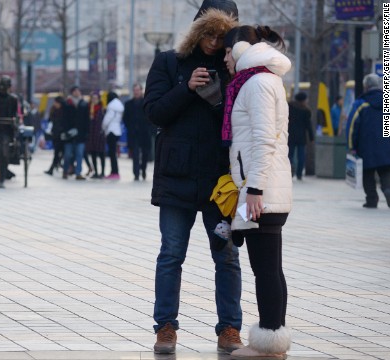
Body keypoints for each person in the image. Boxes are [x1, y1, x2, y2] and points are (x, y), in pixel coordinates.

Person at [143, 0, 242, 354]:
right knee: (171, 254)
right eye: (209, 34)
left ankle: (230, 327)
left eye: (222, 36)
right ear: (198, 29)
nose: (214, 43)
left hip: (220, 182)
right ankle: (165, 326)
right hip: (176, 177)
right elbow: (154, 113)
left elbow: (241, 124)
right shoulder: (169, 62)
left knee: (226, 256)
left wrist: (217, 100)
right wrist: (186, 88)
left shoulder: (235, 68)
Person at [222, 25, 293, 358]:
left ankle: (269, 344)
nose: (223, 59)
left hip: (263, 191)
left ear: (237, 51)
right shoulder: (260, 79)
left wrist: (254, 189)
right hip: (263, 188)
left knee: (266, 268)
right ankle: (271, 340)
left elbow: (265, 140)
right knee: (269, 267)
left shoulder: (258, 83)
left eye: (226, 52)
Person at [347, 74, 390, 209]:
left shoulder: (361, 104)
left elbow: (352, 127)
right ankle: (388, 190)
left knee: (368, 174)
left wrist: (351, 146)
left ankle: (372, 200)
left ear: (366, 87)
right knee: (386, 172)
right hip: (387, 146)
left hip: (366, 146)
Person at [123, 83, 152, 181]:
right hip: (133, 133)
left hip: (144, 133)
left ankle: (143, 169)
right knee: (135, 154)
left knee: (145, 154)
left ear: (141, 91)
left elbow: (150, 117)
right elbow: (125, 118)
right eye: (135, 90)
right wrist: (130, 127)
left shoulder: (146, 102)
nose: (136, 92)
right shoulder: (128, 104)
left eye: (138, 90)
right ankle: (136, 173)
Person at [62, 86, 90, 180]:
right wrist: (65, 131)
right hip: (69, 134)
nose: (77, 93)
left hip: (80, 134)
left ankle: (78, 172)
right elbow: (64, 119)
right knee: (67, 154)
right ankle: (65, 170)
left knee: (79, 154)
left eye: (78, 91)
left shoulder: (84, 104)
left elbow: (87, 119)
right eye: (75, 91)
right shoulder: (67, 103)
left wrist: (86, 132)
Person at [287, 92, 314, 180]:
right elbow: (308, 125)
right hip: (301, 137)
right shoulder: (306, 110)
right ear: (303, 100)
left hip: (290, 136)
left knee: (289, 155)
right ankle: (299, 174)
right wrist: (311, 137)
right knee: (301, 156)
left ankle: (289, 172)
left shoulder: (289, 107)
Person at [102, 91, 124, 180]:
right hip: (117, 130)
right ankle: (114, 171)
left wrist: (103, 127)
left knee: (112, 153)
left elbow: (107, 119)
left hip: (111, 131)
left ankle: (114, 172)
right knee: (113, 152)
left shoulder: (111, 106)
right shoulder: (120, 106)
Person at [44, 96, 66, 175]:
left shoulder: (64, 111)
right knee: (57, 153)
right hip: (56, 135)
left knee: (61, 153)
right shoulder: (53, 110)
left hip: (62, 135)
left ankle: (55, 167)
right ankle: (54, 167)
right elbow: (50, 121)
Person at [86, 92, 106, 179]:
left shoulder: (102, 109)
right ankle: (96, 172)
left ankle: (102, 172)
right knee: (93, 153)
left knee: (101, 153)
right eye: (92, 98)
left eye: (95, 98)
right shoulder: (89, 108)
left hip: (100, 134)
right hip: (91, 134)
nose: (94, 100)